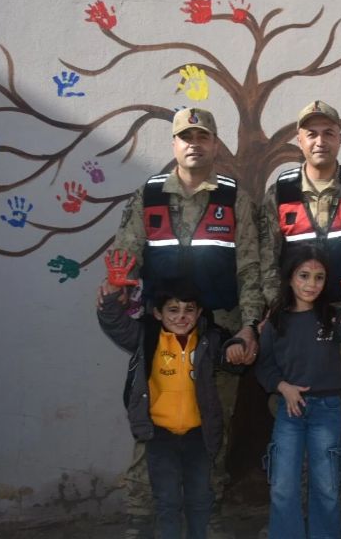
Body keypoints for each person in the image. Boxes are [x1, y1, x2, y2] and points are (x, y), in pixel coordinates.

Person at [110, 107, 263, 539]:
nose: (194, 143)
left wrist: (248, 326)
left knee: (212, 425)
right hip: (160, 334)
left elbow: (250, 269)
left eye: (203, 136)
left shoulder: (236, 199)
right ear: (174, 144)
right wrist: (116, 294)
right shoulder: (150, 195)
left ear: (215, 144)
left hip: (218, 336)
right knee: (152, 424)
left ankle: (207, 514)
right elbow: (126, 258)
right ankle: (141, 517)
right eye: (185, 136)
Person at [258, 100, 341, 538]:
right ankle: (289, 516)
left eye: (328, 132)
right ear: (299, 139)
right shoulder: (281, 191)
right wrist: (276, 310)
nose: (320, 140)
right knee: (290, 416)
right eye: (311, 133)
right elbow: (265, 255)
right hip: (294, 322)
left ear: (339, 136)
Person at [97, 276, 246, 539]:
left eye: (189, 310)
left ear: (199, 312)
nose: (181, 317)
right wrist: (111, 297)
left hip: (198, 437)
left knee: (200, 500)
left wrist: (243, 345)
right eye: (173, 310)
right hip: (160, 437)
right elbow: (115, 324)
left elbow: (234, 361)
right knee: (168, 502)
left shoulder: (208, 339)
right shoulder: (147, 338)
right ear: (157, 313)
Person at [255, 244, 341, 539]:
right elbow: (264, 367)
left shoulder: (331, 316)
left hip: (327, 410)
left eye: (319, 277)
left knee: (327, 486)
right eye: (304, 275)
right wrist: (284, 388)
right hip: (289, 411)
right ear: (290, 278)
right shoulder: (276, 322)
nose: (311, 284)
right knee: (283, 485)